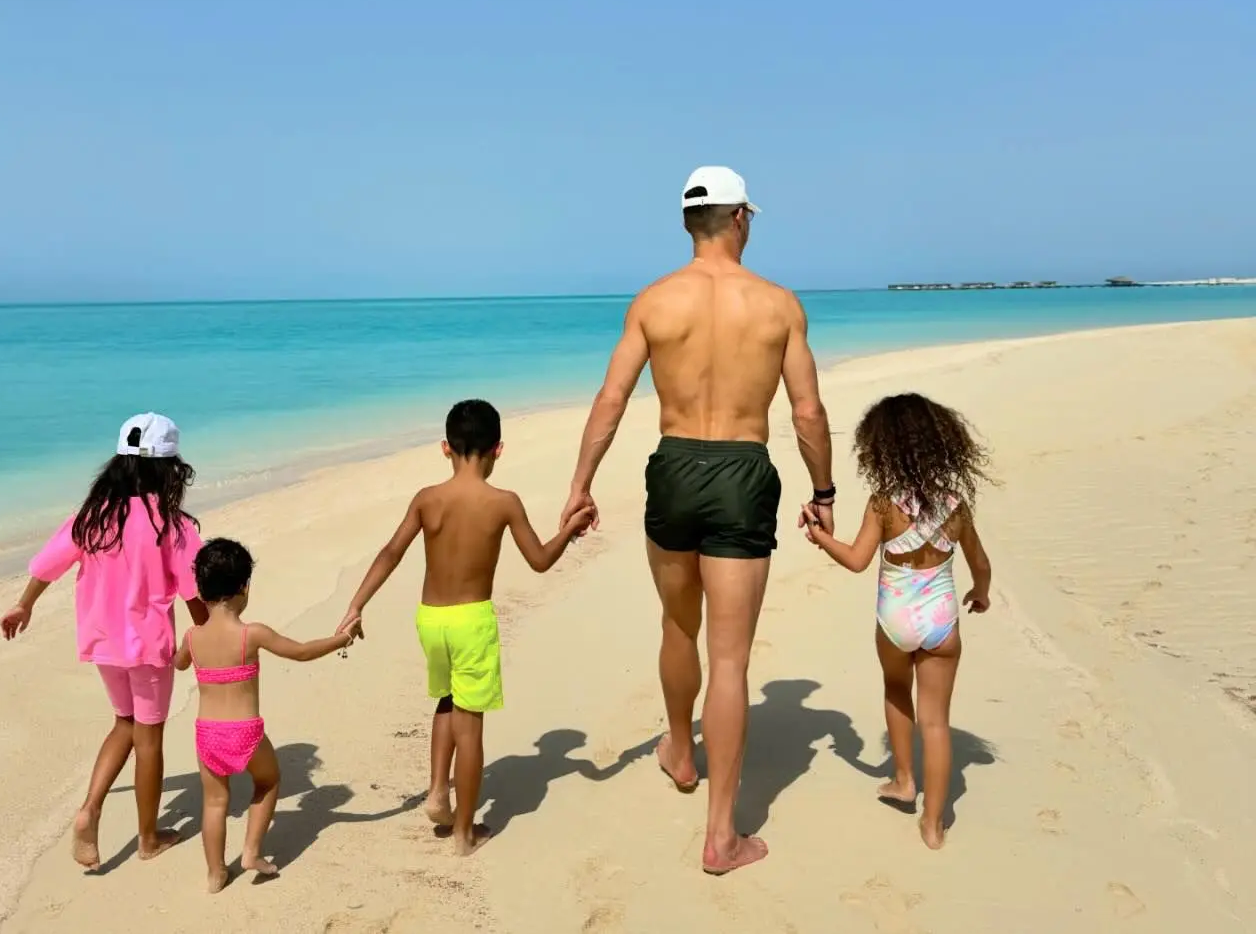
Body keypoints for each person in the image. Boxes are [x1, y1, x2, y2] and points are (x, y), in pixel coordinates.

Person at [559, 166, 835, 875]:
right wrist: (824, 489)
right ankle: (722, 835)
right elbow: (806, 410)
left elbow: (611, 398)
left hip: (675, 465)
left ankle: (680, 751)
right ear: (741, 217)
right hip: (743, 471)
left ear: (689, 222)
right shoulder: (777, 305)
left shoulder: (654, 301)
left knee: (678, 624)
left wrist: (580, 485)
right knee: (732, 658)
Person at [337, 399, 595, 856]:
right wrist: (569, 530)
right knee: (470, 723)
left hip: (430, 619)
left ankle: (438, 791)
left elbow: (390, 553)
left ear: (444, 448)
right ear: (498, 449)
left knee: (447, 699)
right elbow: (538, 561)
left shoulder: (427, 498)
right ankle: (463, 833)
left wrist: (356, 604)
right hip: (472, 620)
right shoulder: (503, 502)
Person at [0, 412, 209, 869]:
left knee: (123, 723)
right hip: (149, 645)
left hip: (102, 642)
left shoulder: (93, 516)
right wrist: (203, 639)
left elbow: (47, 566)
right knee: (149, 736)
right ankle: (149, 838)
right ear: (168, 468)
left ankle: (90, 809)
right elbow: (195, 593)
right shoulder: (171, 525)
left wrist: (24, 604)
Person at [798, 392, 994, 850]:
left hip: (895, 617)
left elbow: (856, 560)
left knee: (894, 689)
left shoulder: (884, 504)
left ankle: (904, 780)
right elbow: (980, 564)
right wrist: (979, 593)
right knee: (937, 722)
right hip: (942, 619)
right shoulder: (955, 505)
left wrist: (820, 536)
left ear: (881, 448)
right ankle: (933, 823)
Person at [174, 538, 358, 892]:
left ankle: (215, 873)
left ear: (200, 590)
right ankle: (251, 853)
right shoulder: (251, 634)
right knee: (268, 781)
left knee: (215, 801)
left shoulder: (193, 636)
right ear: (244, 587)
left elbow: (179, 663)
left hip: (207, 733)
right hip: (245, 731)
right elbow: (301, 652)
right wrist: (341, 640)